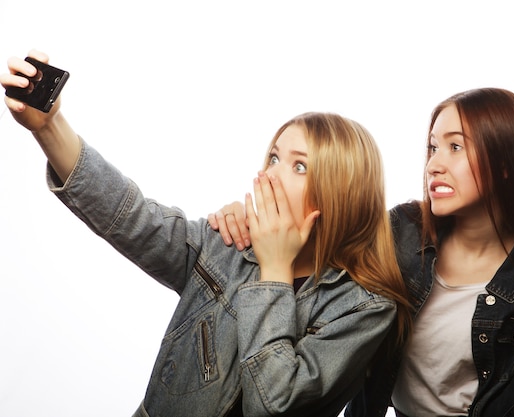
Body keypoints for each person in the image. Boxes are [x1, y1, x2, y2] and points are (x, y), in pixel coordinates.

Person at [1, 50, 412, 417]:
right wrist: (49, 125)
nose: (269, 173)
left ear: (342, 191)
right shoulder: (226, 244)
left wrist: (273, 271)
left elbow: (275, 403)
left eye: (299, 166)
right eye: (273, 156)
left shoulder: (364, 308)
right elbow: (131, 216)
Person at [207, 88, 514, 417]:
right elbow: (320, 249)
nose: (433, 165)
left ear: (506, 162)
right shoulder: (401, 231)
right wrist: (246, 221)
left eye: (455, 147)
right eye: (432, 148)